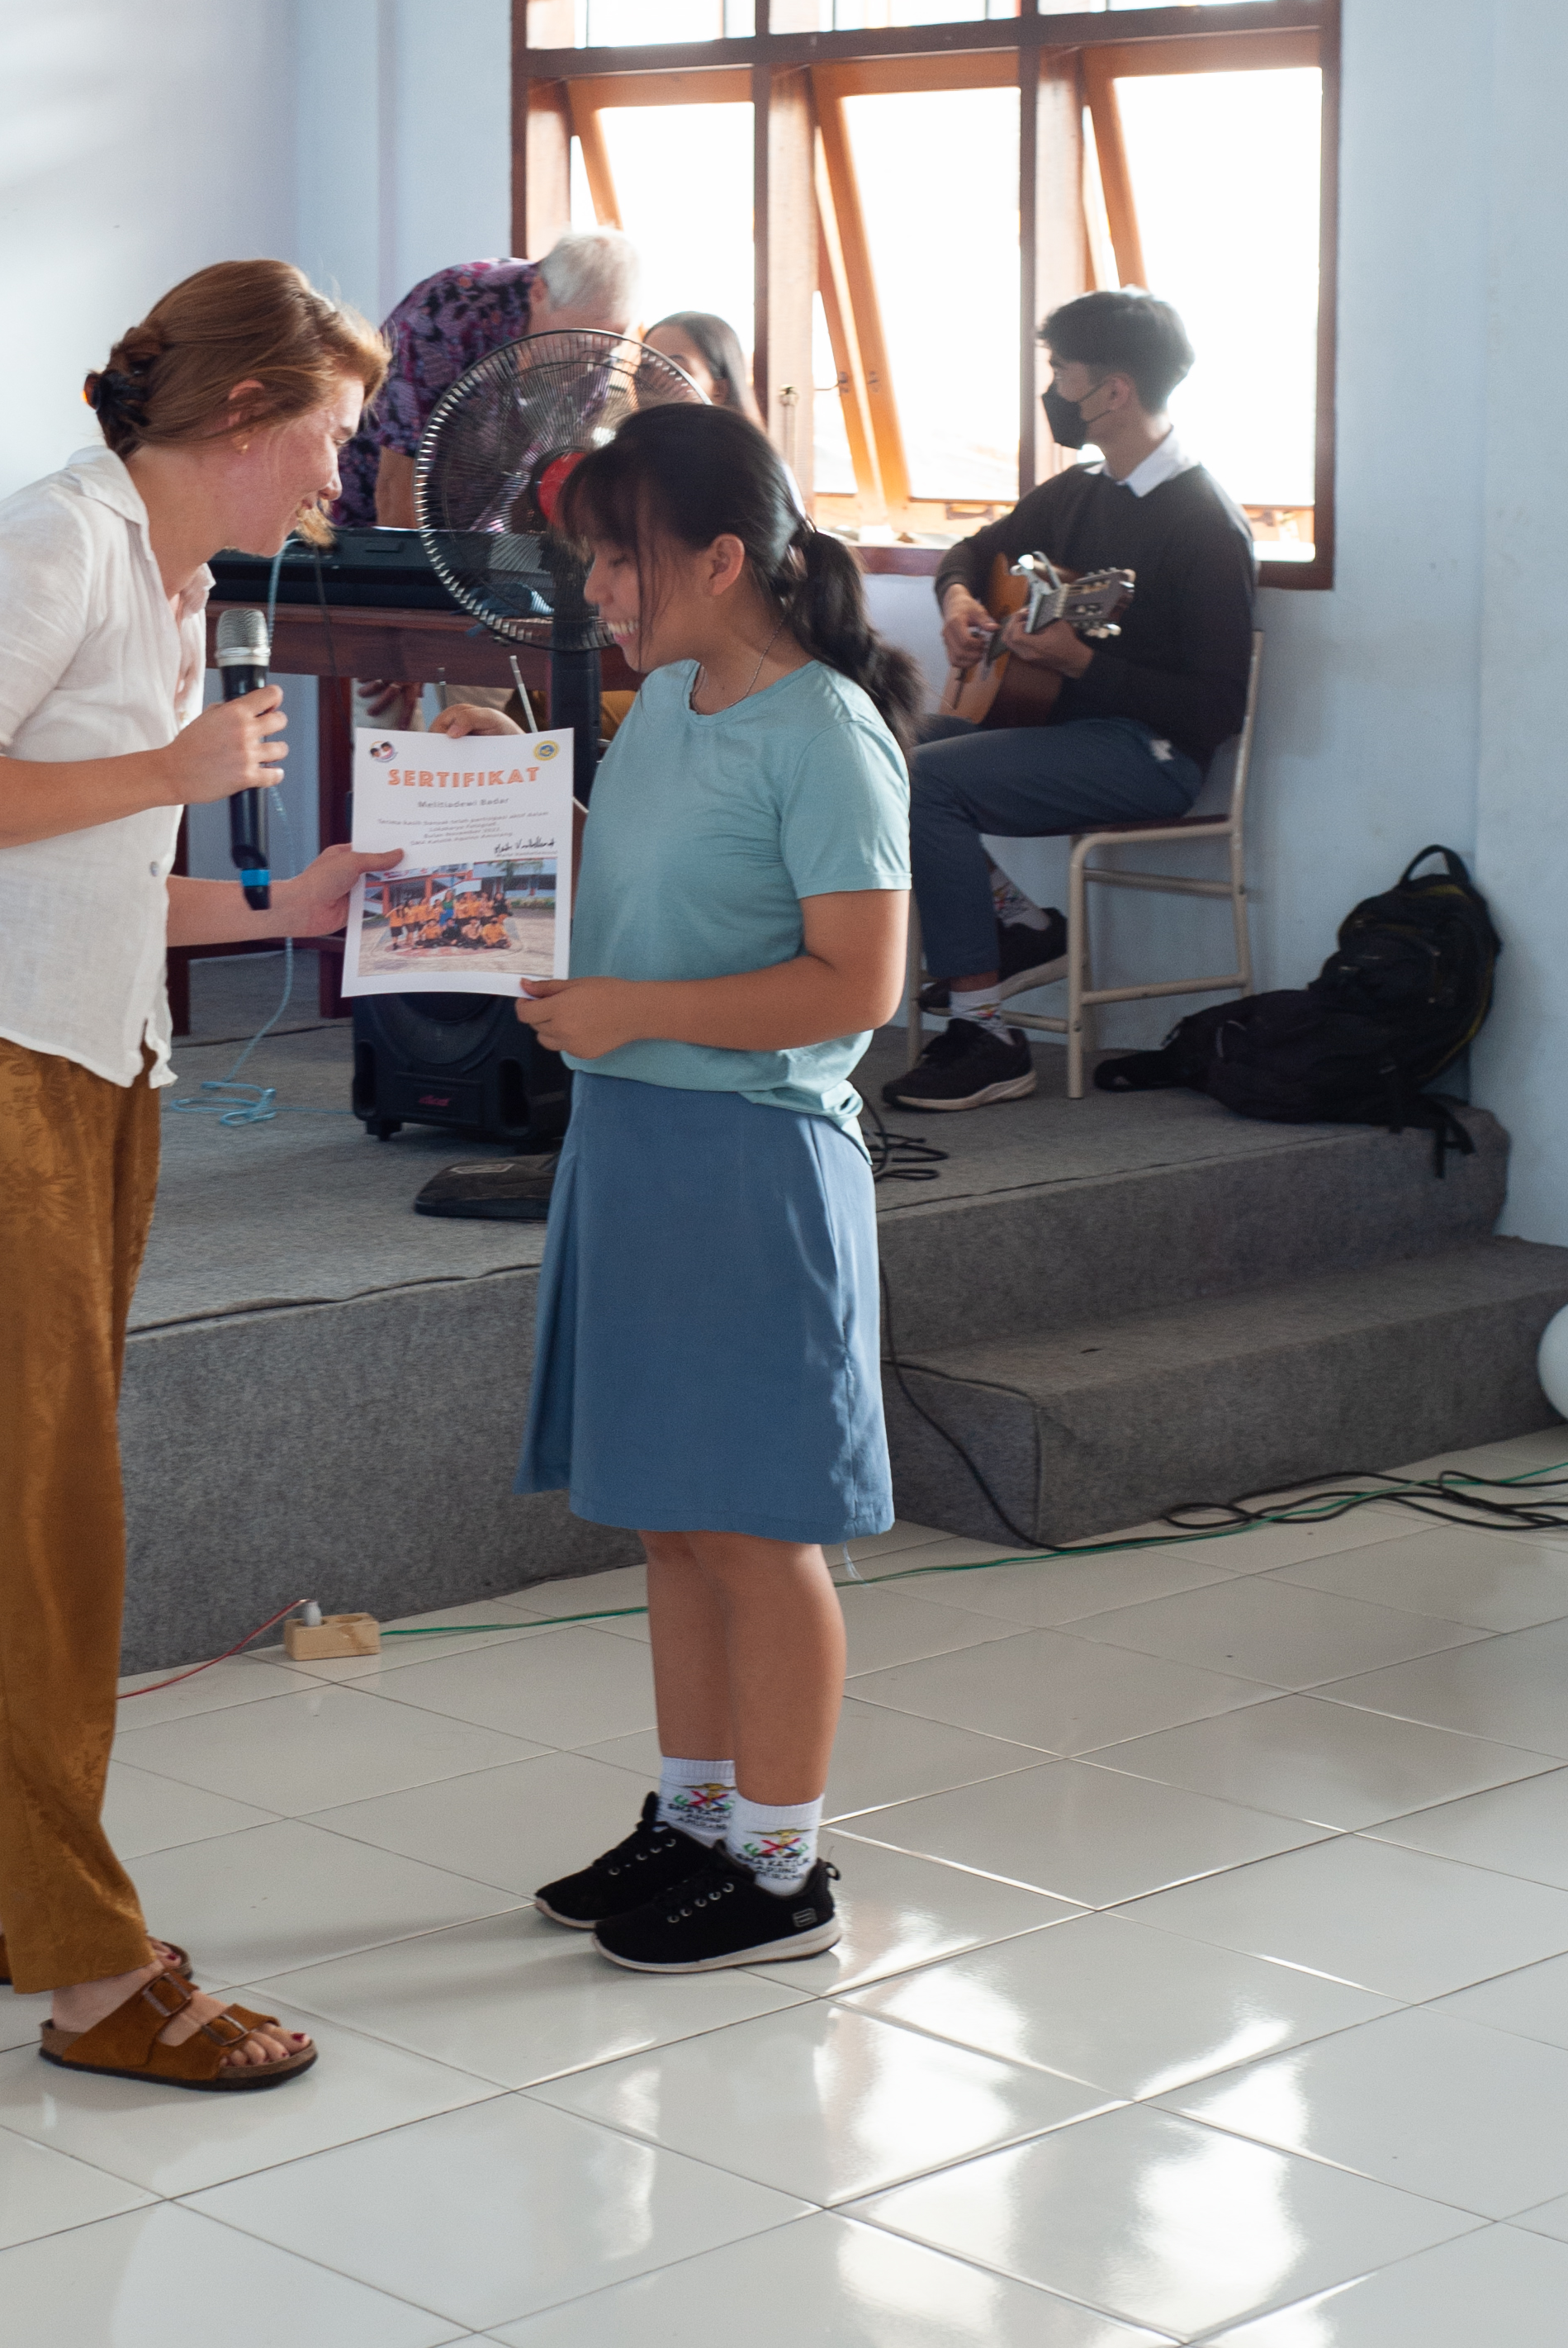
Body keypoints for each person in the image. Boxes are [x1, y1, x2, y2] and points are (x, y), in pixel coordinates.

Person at [0, 260, 397, 2094]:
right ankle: (91, 1974)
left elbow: (98, 874)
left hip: (81, 1058)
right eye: (328, 435)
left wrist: (291, 901)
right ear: (242, 413)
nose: (340, 475)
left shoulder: (176, 580)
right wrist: (171, 760)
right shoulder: (48, 545)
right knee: (48, 1521)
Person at [433, 403, 916, 1972]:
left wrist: (634, 1010)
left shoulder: (826, 730)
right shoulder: (662, 705)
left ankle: (780, 1868)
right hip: (633, 1143)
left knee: (755, 1528)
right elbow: (641, 882)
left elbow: (856, 983)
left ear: (721, 558)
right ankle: (697, 1816)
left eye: (616, 561)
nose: (594, 594)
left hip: (751, 1162)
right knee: (667, 1518)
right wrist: (510, 798)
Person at [886, 286, 1256, 1115]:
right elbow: (974, 549)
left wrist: (1080, 662)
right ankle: (1019, 926)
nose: (1052, 389)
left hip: (1151, 754)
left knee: (925, 782)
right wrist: (958, 600)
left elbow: (1215, 707)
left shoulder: (1204, 524)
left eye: (1062, 372)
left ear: (1114, 390)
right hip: (1055, 727)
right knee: (874, 748)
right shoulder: (1081, 490)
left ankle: (987, 1034)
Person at [334, 225, 642, 529]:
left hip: (477, 527)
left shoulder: (595, 347)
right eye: (578, 344)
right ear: (539, 293)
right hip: (368, 512)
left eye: (608, 350)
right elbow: (395, 483)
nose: (589, 366)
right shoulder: (450, 311)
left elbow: (546, 480)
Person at [641, 309, 765, 425]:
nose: (654, 382)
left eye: (676, 372)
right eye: (646, 368)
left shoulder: (735, 442)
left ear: (719, 390)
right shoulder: (633, 439)